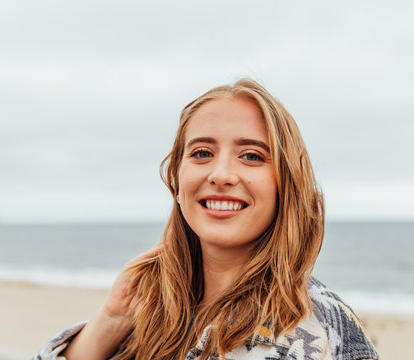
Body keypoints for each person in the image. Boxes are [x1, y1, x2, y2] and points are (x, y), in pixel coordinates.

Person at [33, 79, 379, 360]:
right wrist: (110, 321)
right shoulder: (149, 312)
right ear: (178, 179)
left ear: (285, 183)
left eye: (251, 156)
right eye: (201, 153)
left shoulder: (323, 329)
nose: (222, 173)